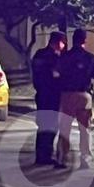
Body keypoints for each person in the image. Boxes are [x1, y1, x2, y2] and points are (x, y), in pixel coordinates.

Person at [53, 29, 94, 170]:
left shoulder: (64, 57)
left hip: (67, 95)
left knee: (64, 128)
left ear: (73, 39)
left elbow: (55, 73)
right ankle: (85, 159)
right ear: (85, 41)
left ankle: (62, 159)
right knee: (85, 129)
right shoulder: (90, 57)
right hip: (84, 96)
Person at [31, 31, 67, 166]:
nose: (63, 46)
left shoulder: (39, 54)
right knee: (50, 126)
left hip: (41, 95)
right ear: (58, 42)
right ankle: (45, 155)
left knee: (43, 127)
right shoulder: (52, 58)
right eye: (63, 42)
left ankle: (41, 155)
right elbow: (57, 76)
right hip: (52, 96)